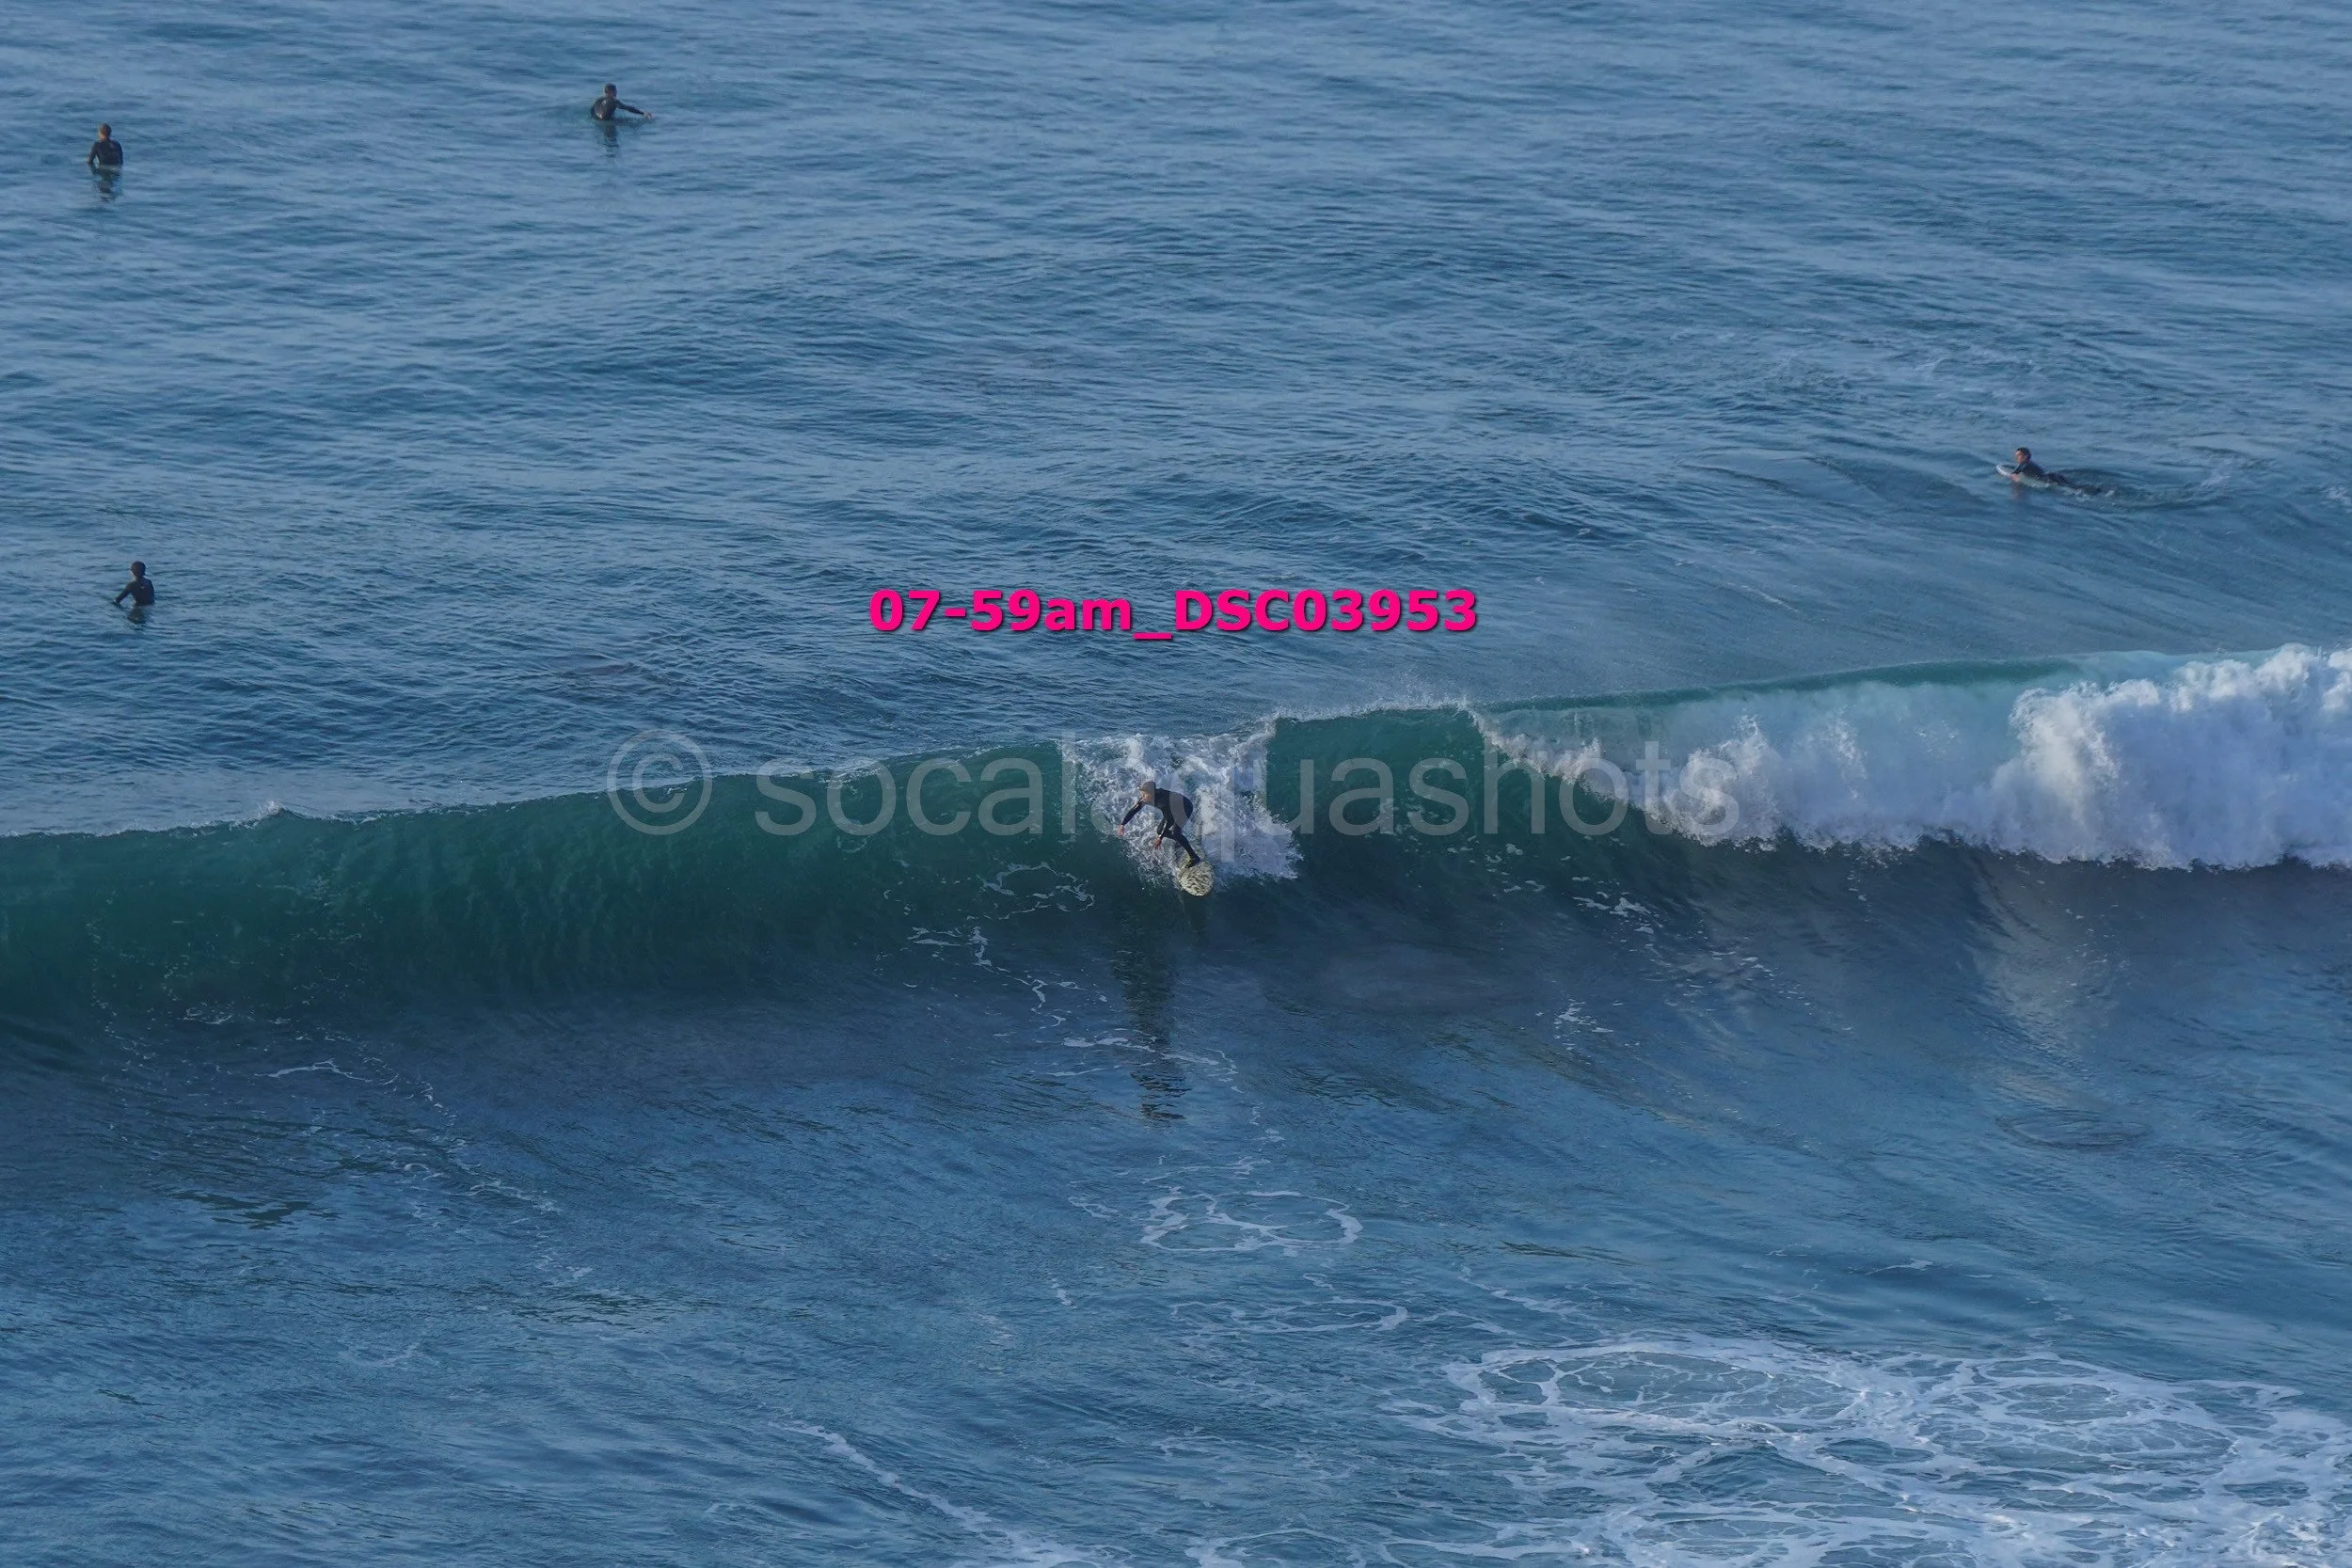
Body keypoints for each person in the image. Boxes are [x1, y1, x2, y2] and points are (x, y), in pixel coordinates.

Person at [1120, 782, 1202, 868]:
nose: (1142, 796)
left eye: (1145, 794)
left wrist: (1160, 837)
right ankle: (1180, 840)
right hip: (1172, 809)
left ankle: (1194, 857)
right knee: (1160, 831)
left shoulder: (1163, 801)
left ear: (1152, 793)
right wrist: (1123, 824)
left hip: (1185, 807)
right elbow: (1134, 810)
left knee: (1175, 833)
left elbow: (1169, 819)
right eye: (1142, 793)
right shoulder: (1146, 799)